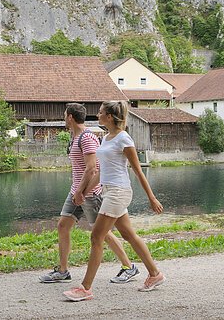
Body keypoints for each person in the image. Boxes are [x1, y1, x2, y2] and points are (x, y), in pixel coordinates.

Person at [64, 100, 165, 302]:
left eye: (100, 113)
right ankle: (155, 274)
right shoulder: (107, 138)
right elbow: (101, 172)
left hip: (119, 192)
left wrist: (151, 198)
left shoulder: (124, 139)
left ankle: (85, 288)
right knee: (128, 235)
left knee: (96, 236)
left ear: (109, 116)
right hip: (108, 190)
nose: (97, 115)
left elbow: (137, 171)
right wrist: (83, 190)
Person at [39, 103, 141, 284]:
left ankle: (128, 266)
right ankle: (63, 271)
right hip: (76, 191)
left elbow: (93, 168)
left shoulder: (87, 138)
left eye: (65, 115)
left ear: (70, 117)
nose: (64, 118)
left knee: (101, 233)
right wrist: (76, 191)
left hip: (90, 193)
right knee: (63, 225)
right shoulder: (75, 136)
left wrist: (82, 192)